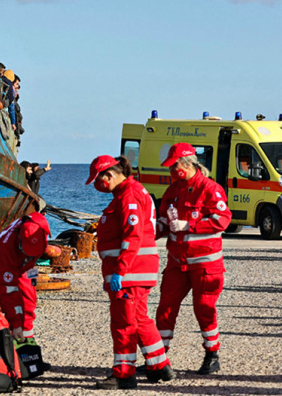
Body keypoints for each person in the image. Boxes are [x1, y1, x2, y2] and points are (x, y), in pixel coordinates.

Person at [86, 155, 174, 390]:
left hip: (129, 274)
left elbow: (132, 236)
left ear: (110, 175)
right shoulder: (131, 192)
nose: (97, 186)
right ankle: (159, 366)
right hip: (136, 272)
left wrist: (120, 272)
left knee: (123, 322)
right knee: (139, 318)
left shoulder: (129, 195)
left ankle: (124, 374)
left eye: (98, 180)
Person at [154, 143, 232, 375]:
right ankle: (158, 359)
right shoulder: (172, 190)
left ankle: (212, 354)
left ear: (188, 164)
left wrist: (190, 225)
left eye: (174, 166)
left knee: (204, 308)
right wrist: (148, 232)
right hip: (177, 263)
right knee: (165, 309)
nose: (171, 171)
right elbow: (165, 221)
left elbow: (223, 220)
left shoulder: (210, 188)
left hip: (205, 264)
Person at [0, 212, 50, 342]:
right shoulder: (7, 250)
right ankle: (11, 333)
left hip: (24, 262)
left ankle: (27, 338)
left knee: (29, 297)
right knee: (5, 296)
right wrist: (16, 324)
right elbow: (8, 291)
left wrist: (32, 282)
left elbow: (32, 263)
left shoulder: (39, 227)